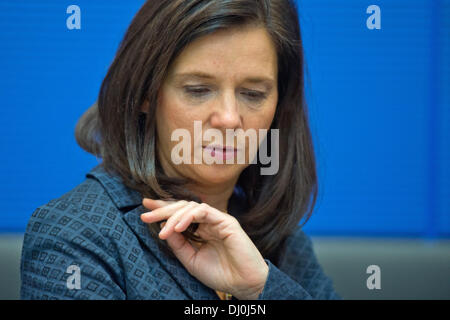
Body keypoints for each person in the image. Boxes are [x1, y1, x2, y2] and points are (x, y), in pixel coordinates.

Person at [20, 0, 341, 300]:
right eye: (198, 90)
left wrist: (262, 288)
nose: (229, 119)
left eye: (253, 94)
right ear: (146, 94)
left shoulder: (285, 242)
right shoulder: (75, 234)